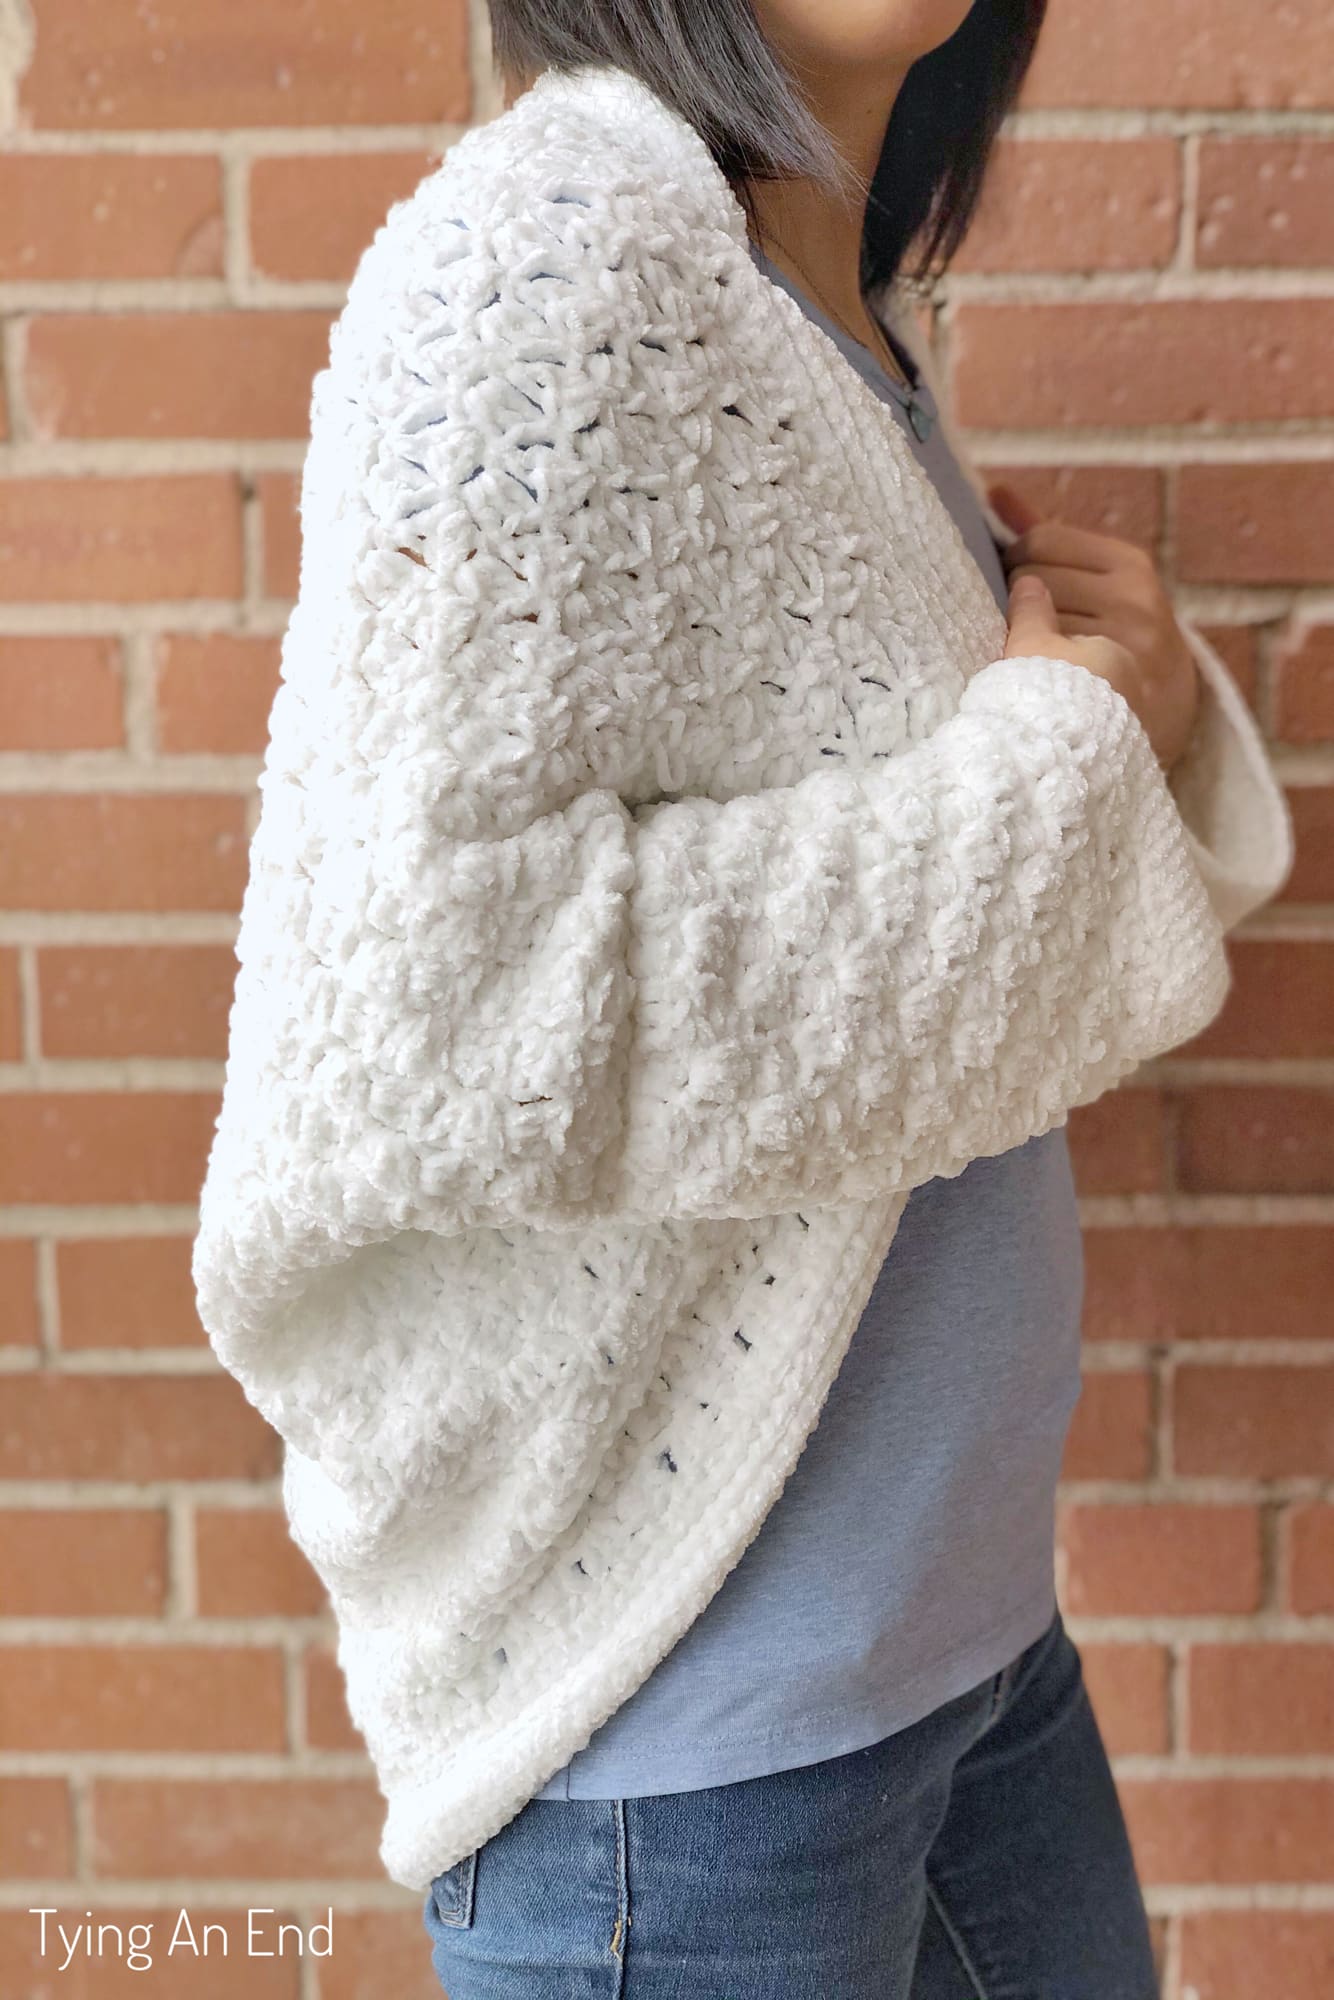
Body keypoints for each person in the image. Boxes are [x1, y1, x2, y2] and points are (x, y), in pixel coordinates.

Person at [190, 3, 1294, 1995]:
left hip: (957, 1658)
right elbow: (450, 1012)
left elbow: (970, 967)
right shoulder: (545, 265)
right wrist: (1060, 757)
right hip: (687, 1759)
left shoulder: (826, 303)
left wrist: (1127, 723)